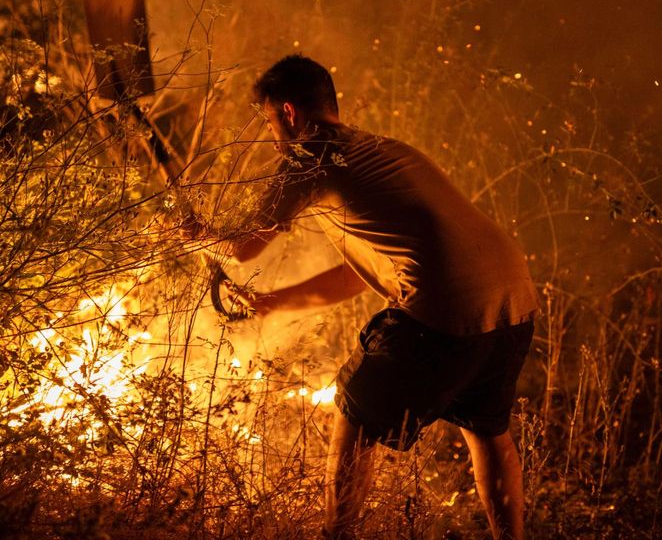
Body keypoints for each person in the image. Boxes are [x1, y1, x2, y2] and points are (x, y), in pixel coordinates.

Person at [206, 55, 538, 539]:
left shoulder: (309, 155)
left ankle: (336, 536)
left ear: (290, 113)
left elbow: (240, 248)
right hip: (514, 300)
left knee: (355, 414)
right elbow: (362, 274)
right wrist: (276, 301)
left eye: (269, 121)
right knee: (486, 428)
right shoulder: (383, 149)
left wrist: (191, 234)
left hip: (444, 308)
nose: (272, 136)